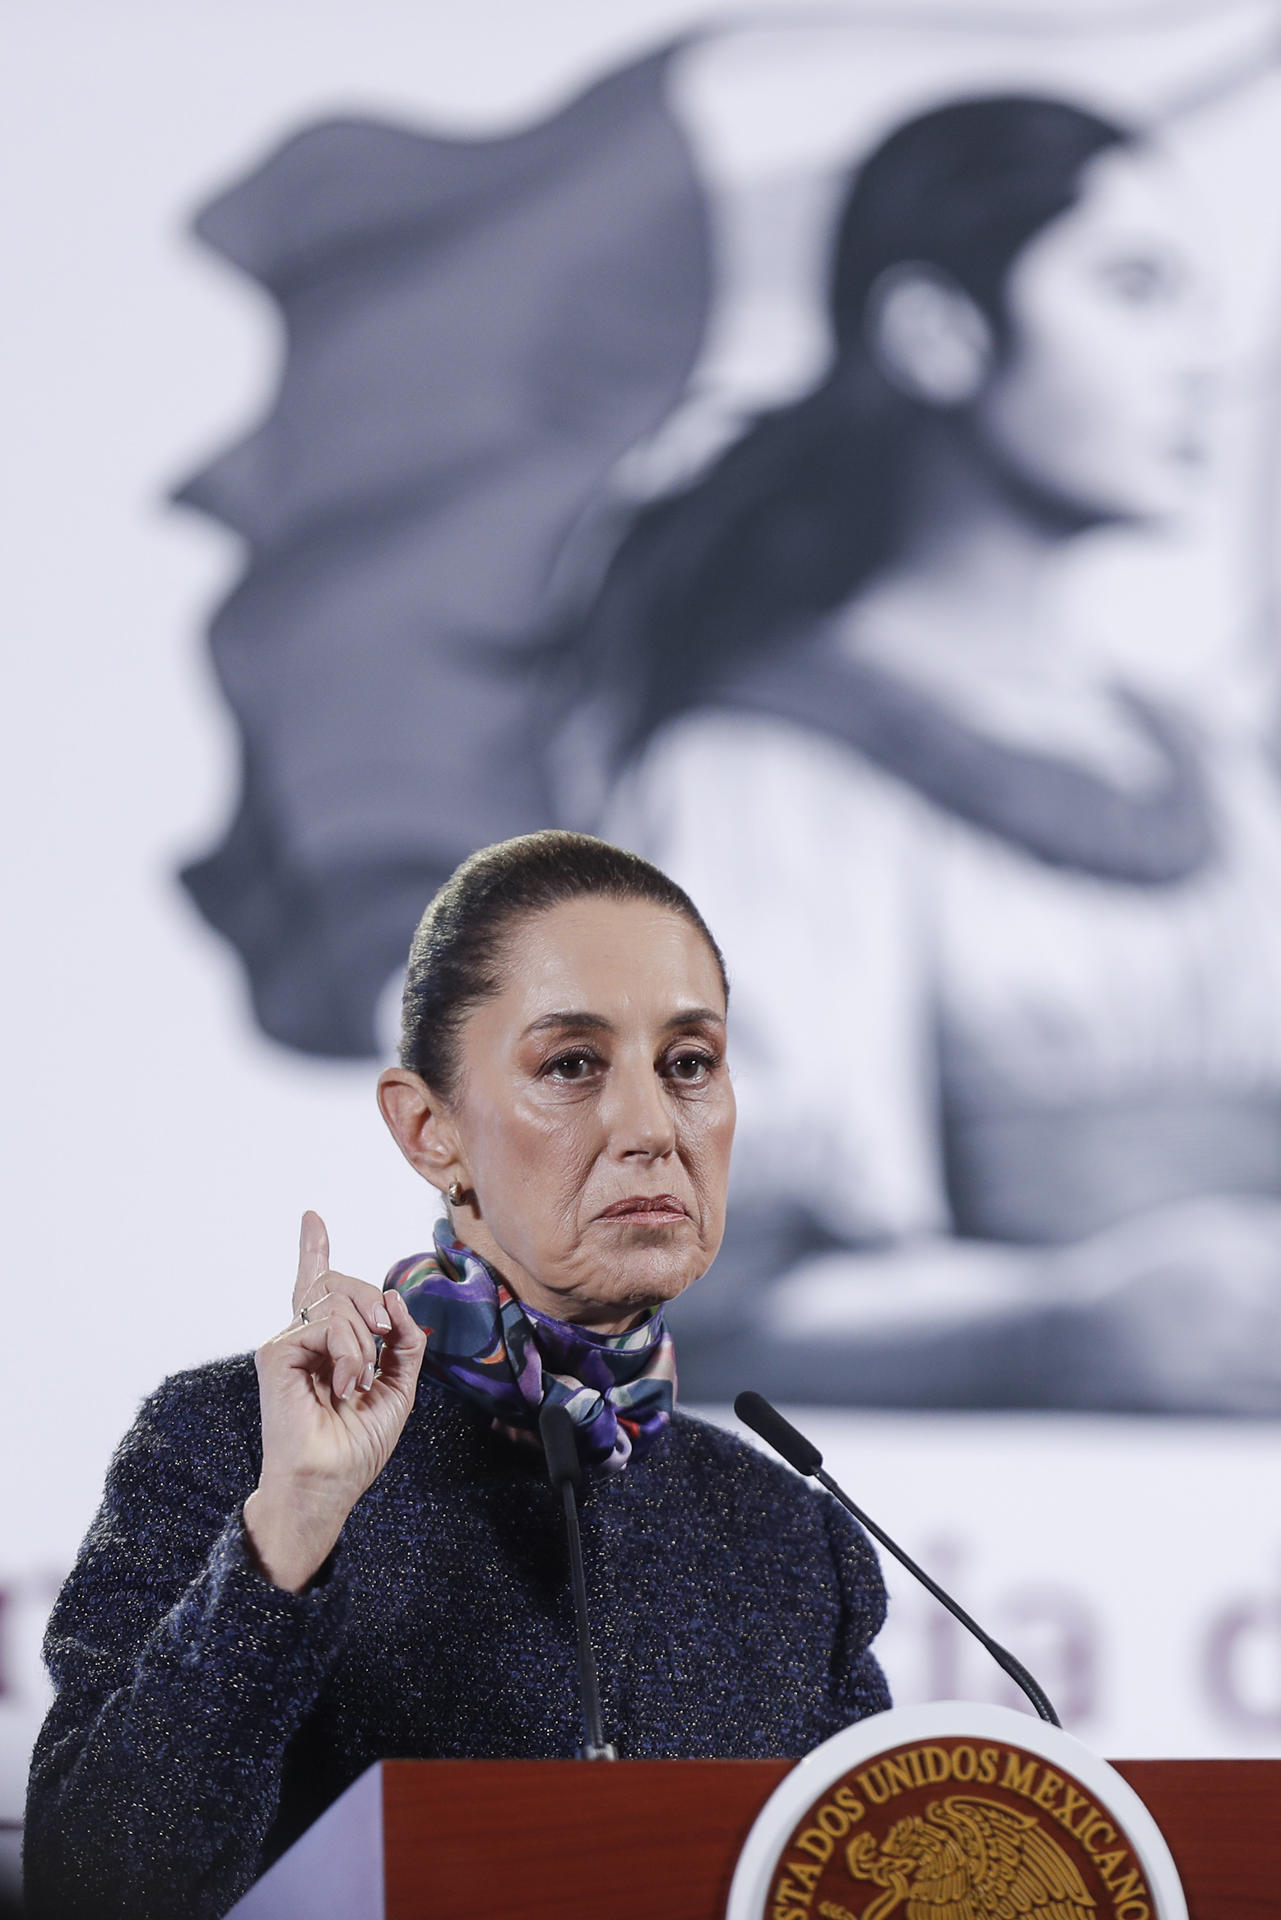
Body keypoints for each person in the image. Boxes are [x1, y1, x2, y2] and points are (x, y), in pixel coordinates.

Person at [23, 832, 890, 1920]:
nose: (651, 1128)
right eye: (572, 1065)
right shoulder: (231, 1445)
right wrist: (292, 1529)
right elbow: (90, 1887)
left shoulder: (785, 1534)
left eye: (689, 1064)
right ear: (430, 1131)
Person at [579, 94, 1281, 1413]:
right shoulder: (767, 778)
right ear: (937, 332)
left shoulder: (1230, 786)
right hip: (990, 1584)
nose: (1199, 359)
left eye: (1200, 300)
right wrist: (1063, 1324)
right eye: (1134, 289)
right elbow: (696, 1290)